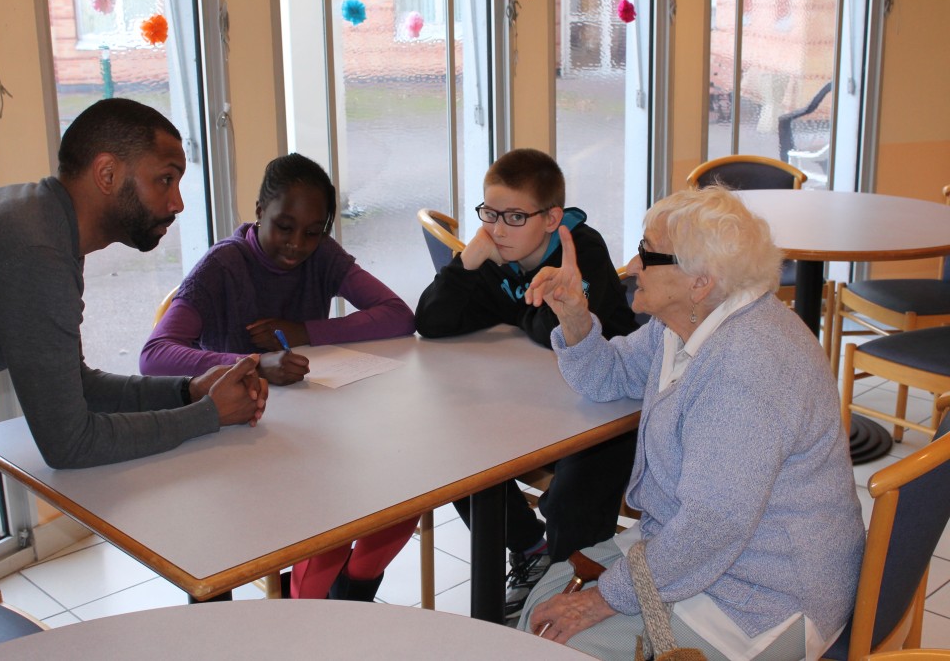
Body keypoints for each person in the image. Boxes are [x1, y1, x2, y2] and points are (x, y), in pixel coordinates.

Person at [519, 186, 864, 660]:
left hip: (763, 596)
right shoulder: (683, 325)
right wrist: (576, 316)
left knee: (554, 643)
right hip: (707, 554)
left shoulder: (746, 366)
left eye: (646, 253)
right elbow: (610, 375)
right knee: (543, 603)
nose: (632, 265)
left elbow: (712, 524)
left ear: (699, 281)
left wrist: (605, 599)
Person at [0, 98, 267, 471]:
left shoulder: (43, 221)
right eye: (165, 179)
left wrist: (188, 390)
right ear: (107, 174)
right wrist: (207, 415)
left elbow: (76, 386)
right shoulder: (36, 254)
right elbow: (71, 444)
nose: (178, 202)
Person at [140, 152, 417, 602]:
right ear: (258, 213)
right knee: (332, 523)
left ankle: (349, 600)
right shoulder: (222, 267)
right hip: (231, 445)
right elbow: (154, 357)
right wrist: (250, 362)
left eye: (314, 231)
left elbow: (398, 316)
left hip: (306, 435)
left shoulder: (322, 256)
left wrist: (306, 332)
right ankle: (291, 610)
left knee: (399, 498)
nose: (297, 244)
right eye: (284, 227)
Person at [414, 148, 639, 624]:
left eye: (516, 216)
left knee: (572, 500)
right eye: (490, 214)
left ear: (552, 217)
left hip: (611, 406)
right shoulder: (496, 257)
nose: (498, 229)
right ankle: (531, 548)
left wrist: (521, 312)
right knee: (454, 460)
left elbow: (558, 332)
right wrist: (466, 262)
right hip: (536, 398)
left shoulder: (583, 249)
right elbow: (431, 321)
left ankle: (567, 589)